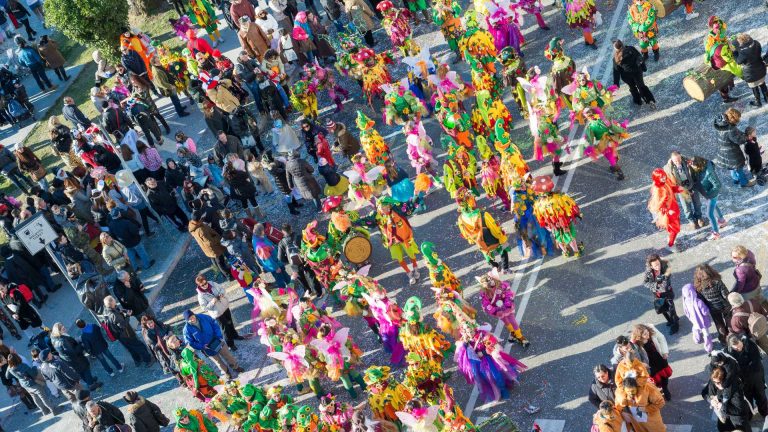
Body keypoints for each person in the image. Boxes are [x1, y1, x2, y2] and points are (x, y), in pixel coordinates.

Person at [182, 310, 244, 379]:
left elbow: (214, 324)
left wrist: (218, 336)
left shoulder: (203, 317)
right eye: (189, 319)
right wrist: (202, 346)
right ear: (187, 320)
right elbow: (190, 342)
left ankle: (235, 367)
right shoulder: (186, 329)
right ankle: (226, 372)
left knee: (228, 355)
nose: (192, 319)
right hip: (207, 348)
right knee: (218, 361)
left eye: (192, 317)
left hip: (217, 341)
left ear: (194, 314)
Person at [102, 295, 154, 367]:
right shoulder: (114, 315)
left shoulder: (106, 311)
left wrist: (122, 311)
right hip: (127, 334)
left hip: (119, 336)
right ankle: (148, 359)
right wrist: (128, 316)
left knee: (130, 348)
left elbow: (116, 310)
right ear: (112, 303)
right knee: (139, 346)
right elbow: (123, 325)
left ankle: (137, 360)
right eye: (114, 300)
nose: (115, 300)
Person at [195, 275, 243, 351]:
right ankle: (230, 344)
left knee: (230, 323)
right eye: (202, 285)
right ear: (199, 285)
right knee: (225, 328)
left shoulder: (212, 284)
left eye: (205, 283)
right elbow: (204, 308)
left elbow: (222, 289)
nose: (205, 285)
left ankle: (235, 335)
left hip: (224, 306)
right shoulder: (201, 295)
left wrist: (221, 294)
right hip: (217, 313)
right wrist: (212, 302)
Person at [50, 322, 103, 391]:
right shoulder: (62, 341)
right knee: (86, 370)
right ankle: (91, 385)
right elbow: (73, 352)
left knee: (81, 372)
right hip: (76, 359)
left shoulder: (54, 339)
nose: (64, 328)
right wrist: (80, 345)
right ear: (58, 331)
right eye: (62, 328)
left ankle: (89, 380)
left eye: (63, 326)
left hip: (70, 360)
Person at [726, 333, 768, 418]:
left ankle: (765, 413)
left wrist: (742, 368)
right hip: (743, 381)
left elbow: (756, 363)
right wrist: (747, 365)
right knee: (747, 399)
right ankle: (749, 415)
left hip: (756, 377)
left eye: (739, 345)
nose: (739, 348)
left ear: (741, 340)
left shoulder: (750, 344)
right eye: (736, 348)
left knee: (761, 396)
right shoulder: (728, 353)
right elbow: (732, 369)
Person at [664, 151, 706, 230]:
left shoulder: (687, 161)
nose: (678, 162)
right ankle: (691, 220)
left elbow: (696, 168)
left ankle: (699, 217)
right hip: (681, 188)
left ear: (681, 157)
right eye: (675, 161)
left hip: (692, 185)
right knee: (686, 206)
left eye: (679, 159)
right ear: (671, 160)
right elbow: (666, 173)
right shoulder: (669, 167)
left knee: (697, 203)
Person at [702, 366, 752, 432]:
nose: (716, 385)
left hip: (737, 423)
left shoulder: (736, 391)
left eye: (718, 383)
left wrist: (722, 406)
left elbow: (739, 410)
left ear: (724, 380)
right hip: (724, 420)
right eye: (714, 382)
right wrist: (711, 400)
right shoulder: (714, 380)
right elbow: (704, 393)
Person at [714, 109, 755, 188]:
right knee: (738, 167)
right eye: (738, 118)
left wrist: (743, 134)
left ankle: (735, 179)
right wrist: (747, 138)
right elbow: (738, 140)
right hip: (731, 152)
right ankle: (744, 182)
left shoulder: (721, 124)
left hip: (722, 150)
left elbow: (736, 133)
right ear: (734, 118)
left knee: (731, 167)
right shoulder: (730, 129)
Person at [630, 324, 671, 401]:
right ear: (639, 336)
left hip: (659, 357)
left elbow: (661, 338)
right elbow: (634, 355)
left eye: (647, 332)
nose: (648, 334)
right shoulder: (635, 343)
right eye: (645, 334)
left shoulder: (651, 329)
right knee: (655, 378)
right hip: (649, 363)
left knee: (664, 375)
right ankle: (658, 389)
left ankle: (665, 389)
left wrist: (665, 352)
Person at [690, 156, 726, 240]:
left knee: (709, 214)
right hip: (708, 193)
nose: (692, 168)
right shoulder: (700, 169)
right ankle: (722, 221)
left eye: (693, 166)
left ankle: (716, 233)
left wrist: (710, 195)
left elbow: (718, 185)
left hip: (711, 194)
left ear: (698, 164)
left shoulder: (708, 172)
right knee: (714, 207)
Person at [188, 211, 233, 280]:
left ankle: (224, 273)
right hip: (214, 248)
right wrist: (218, 238)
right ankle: (228, 276)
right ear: (199, 219)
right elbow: (209, 242)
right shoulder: (200, 229)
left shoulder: (192, 226)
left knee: (216, 262)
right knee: (220, 262)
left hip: (207, 249)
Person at [643, 254, 679, 334]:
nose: (658, 266)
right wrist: (655, 285)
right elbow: (645, 283)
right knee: (662, 309)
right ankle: (670, 320)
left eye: (658, 264)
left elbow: (667, 280)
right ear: (651, 266)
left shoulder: (665, 268)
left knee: (671, 309)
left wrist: (663, 278)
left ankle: (675, 325)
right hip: (657, 294)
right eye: (655, 265)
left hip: (667, 292)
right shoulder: (648, 272)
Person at [612, 39, 655, 107]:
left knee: (632, 87)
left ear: (615, 48)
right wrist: (644, 67)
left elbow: (616, 72)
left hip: (626, 76)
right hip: (637, 71)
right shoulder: (631, 49)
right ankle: (649, 100)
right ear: (622, 44)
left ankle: (638, 101)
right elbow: (639, 57)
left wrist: (616, 85)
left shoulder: (616, 59)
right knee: (641, 85)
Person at [733, 33, 768, 107]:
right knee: (762, 84)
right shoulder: (756, 43)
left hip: (750, 74)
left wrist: (735, 53)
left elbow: (739, 61)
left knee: (754, 87)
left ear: (742, 42)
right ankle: (767, 98)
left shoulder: (743, 53)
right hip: (760, 69)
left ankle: (758, 102)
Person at [681, 283, 714, 354]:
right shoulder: (698, 302)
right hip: (703, 321)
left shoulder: (685, 301)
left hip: (694, 321)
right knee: (706, 333)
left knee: (695, 328)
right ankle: (708, 347)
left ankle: (697, 339)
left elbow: (686, 312)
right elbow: (705, 312)